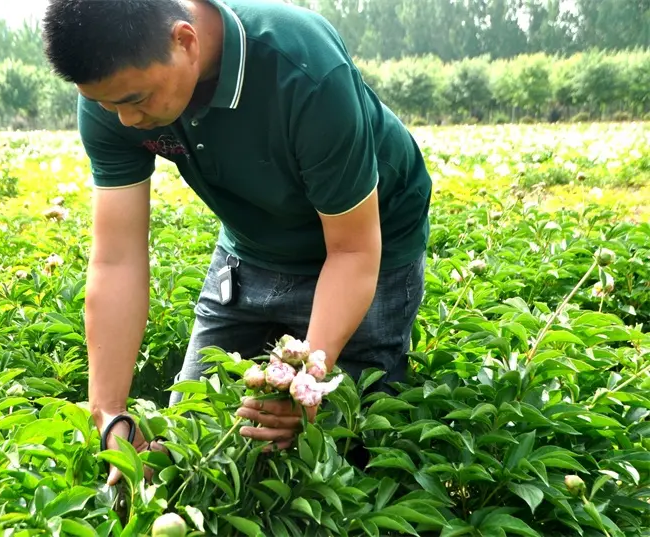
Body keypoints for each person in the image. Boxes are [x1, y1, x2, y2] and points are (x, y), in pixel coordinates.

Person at [42, 0, 432, 484]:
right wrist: (109, 413)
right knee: (192, 439)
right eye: (107, 105)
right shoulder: (116, 89)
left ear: (185, 41)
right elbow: (117, 258)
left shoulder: (303, 67)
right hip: (251, 245)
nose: (124, 120)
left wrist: (305, 383)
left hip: (372, 242)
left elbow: (352, 251)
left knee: (343, 445)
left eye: (135, 101)